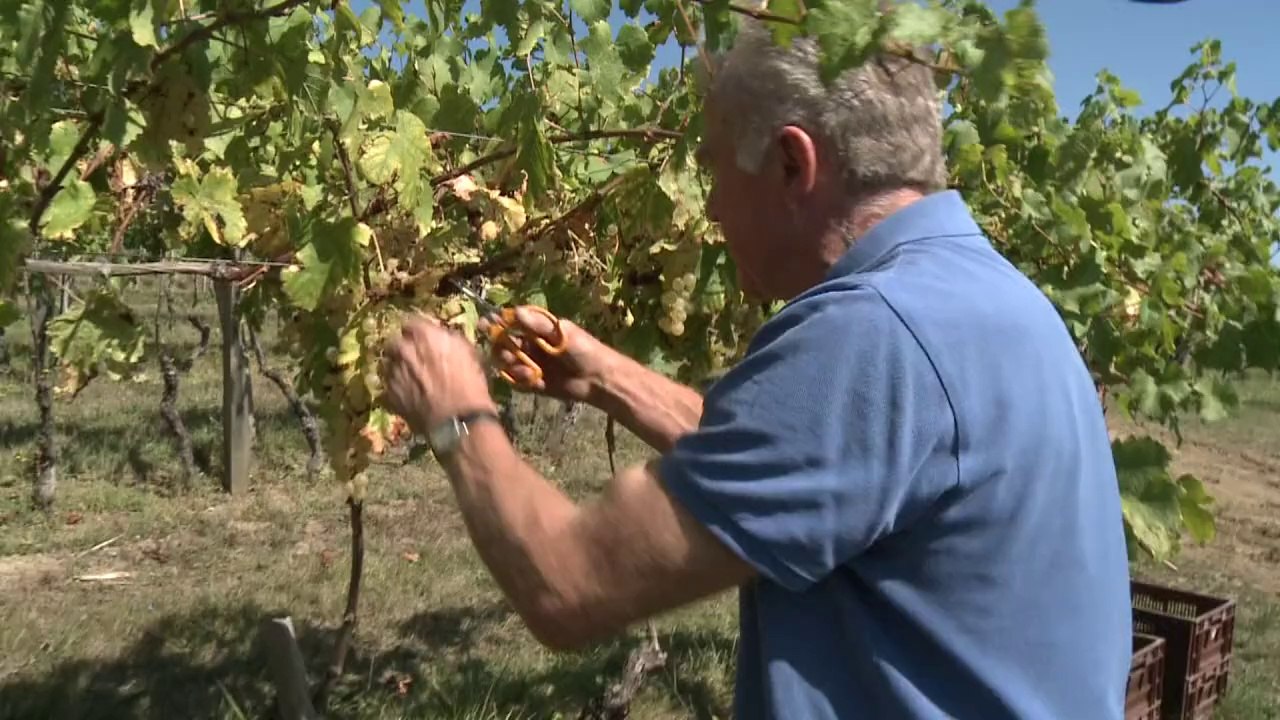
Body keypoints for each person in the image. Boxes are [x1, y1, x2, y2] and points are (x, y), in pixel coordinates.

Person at [380, 19, 1133, 720]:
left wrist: (456, 413)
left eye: (712, 169)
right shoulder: (985, 300)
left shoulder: (872, 338)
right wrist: (604, 376)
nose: (707, 207)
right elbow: (817, 470)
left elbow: (565, 584)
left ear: (789, 162)